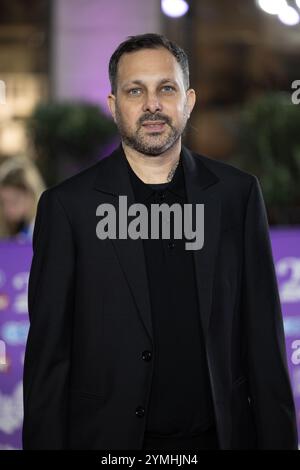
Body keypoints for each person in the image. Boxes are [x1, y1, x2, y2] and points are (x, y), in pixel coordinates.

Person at [22, 33, 298, 450]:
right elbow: (48, 361)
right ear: (115, 106)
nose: (152, 104)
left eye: (165, 88)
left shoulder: (236, 196)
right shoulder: (68, 208)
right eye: (136, 90)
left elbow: (264, 342)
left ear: (188, 101)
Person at [0, 157, 45, 241]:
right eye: (3, 202)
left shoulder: (45, 227)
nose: (8, 210)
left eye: (14, 202)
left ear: (31, 195)